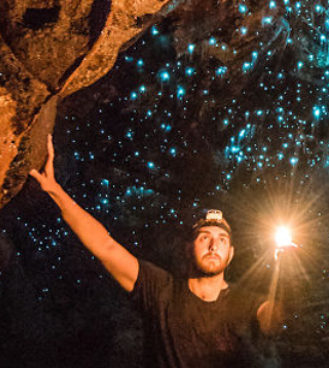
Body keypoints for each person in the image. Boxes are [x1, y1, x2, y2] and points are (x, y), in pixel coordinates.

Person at [29, 134, 287, 368]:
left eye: (221, 239)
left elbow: (274, 320)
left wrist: (287, 274)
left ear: (230, 253)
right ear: (188, 249)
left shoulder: (246, 303)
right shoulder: (159, 291)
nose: (212, 245)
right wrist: (55, 190)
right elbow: (105, 246)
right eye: (204, 237)